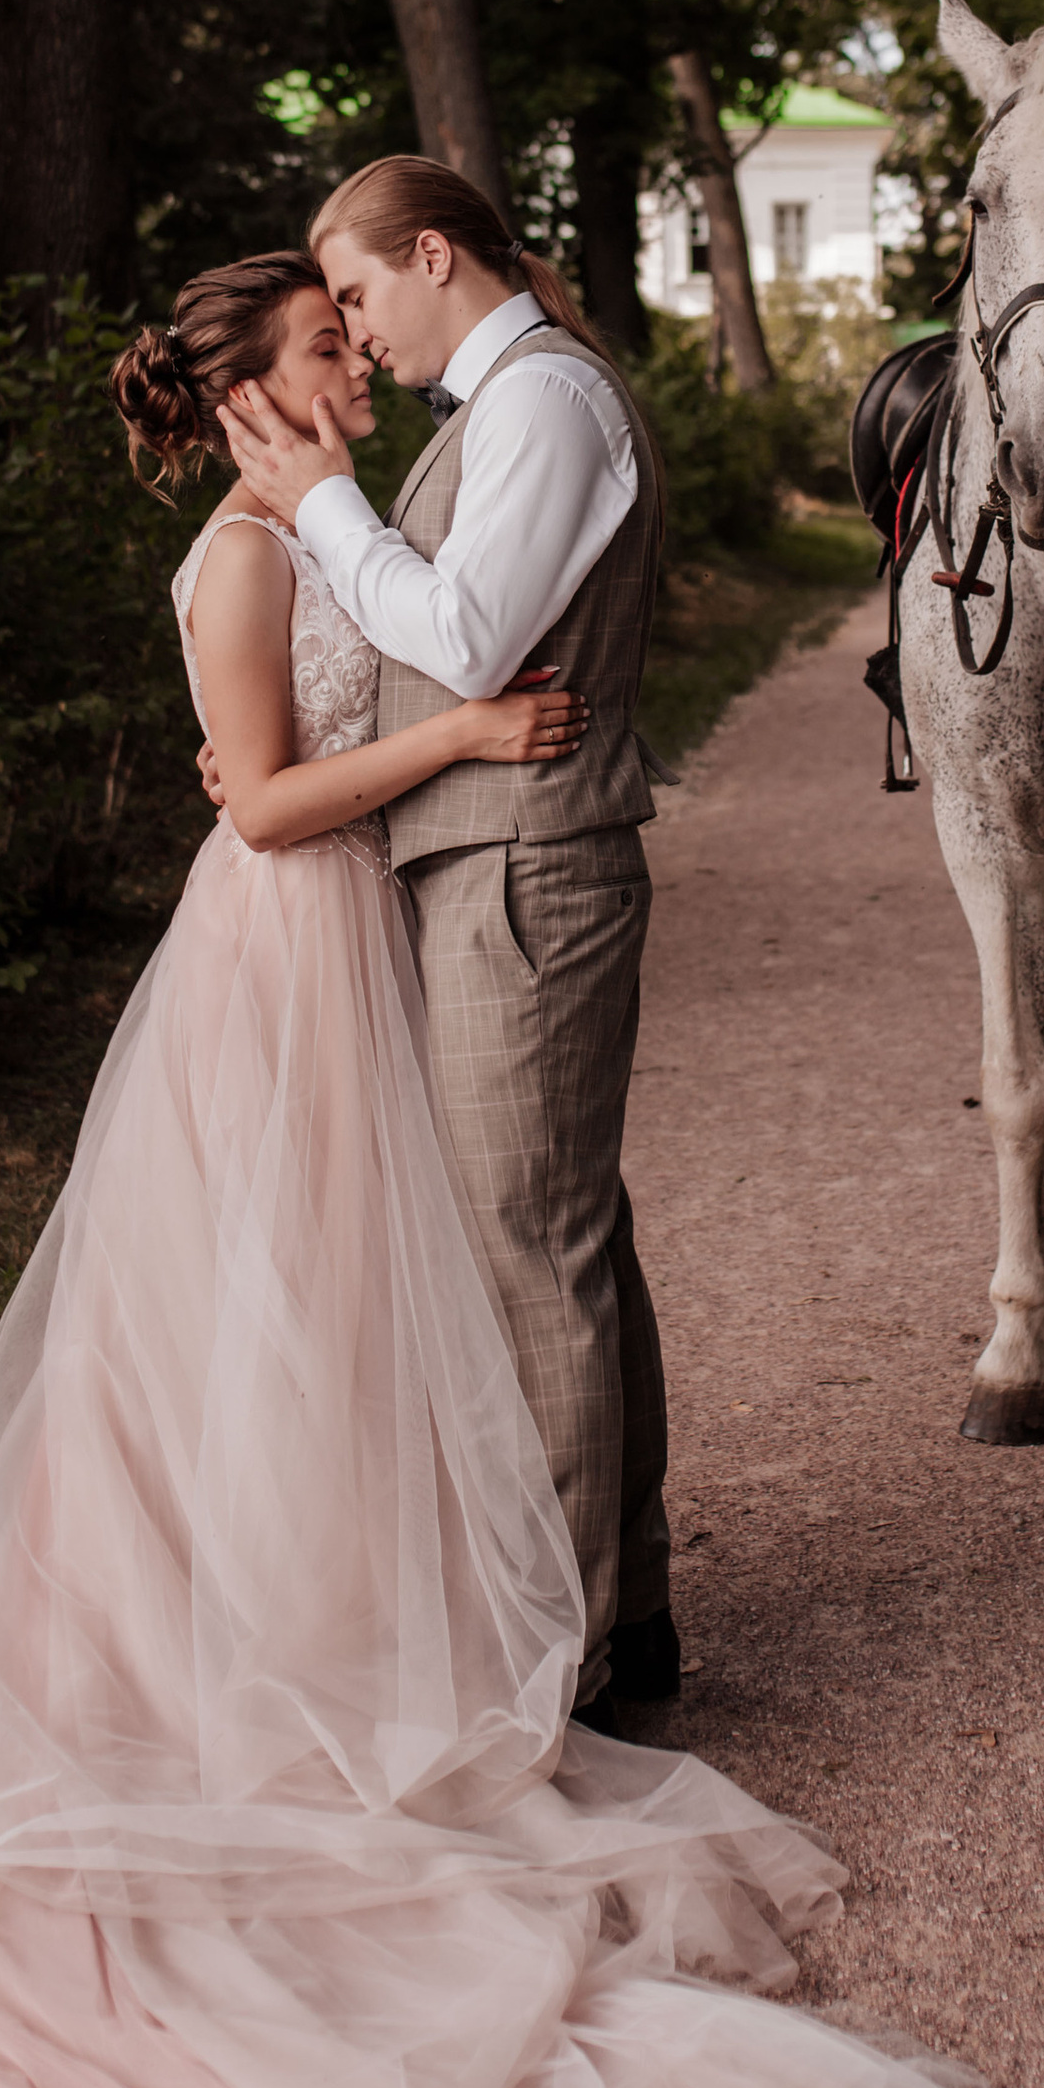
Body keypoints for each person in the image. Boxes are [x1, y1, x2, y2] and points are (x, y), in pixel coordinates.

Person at [0, 251, 989, 2088]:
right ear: (252, 381)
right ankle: (230, 1670)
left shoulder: (335, 520)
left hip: (346, 941)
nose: (354, 345)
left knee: (341, 1327)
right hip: (274, 960)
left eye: (353, 319)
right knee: (251, 1323)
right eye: (320, 335)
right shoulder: (244, 558)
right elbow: (254, 810)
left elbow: (300, 731)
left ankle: (346, 1627)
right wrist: (463, 740)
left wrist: (428, 723)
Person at [211, 158, 673, 1733]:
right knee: (565, 1241)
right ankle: (627, 1614)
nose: (352, 332)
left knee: (528, 1261)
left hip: (525, 873)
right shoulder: (503, 411)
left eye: (353, 297)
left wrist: (323, 509)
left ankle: (570, 1664)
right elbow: (433, 645)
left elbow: (471, 634)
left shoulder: (542, 401)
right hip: (488, 867)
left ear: (429, 255)